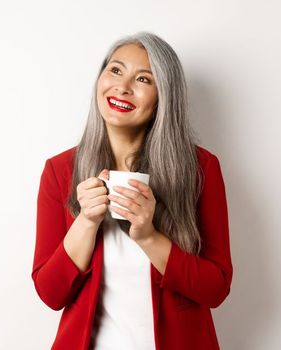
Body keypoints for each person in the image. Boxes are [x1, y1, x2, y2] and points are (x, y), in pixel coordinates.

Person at [31, 31, 233, 350]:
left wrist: (149, 236)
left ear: (163, 97)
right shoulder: (60, 171)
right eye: (115, 70)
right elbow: (50, 294)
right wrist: (86, 221)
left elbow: (216, 289)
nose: (123, 87)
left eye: (143, 78)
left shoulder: (200, 168)